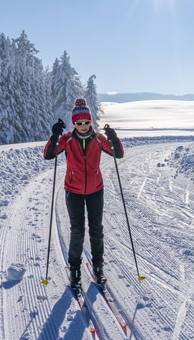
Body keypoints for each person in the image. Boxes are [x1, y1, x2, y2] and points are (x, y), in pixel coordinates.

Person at [43, 98, 124, 288]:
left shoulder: (98, 139)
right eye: (79, 123)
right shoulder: (67, 139)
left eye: (86, 122)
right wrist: (54, 136)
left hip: (96, 190)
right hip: (73, 191)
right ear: (74, 123)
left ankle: (98, 267)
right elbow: (49, 155)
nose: (83, 126)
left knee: (96, 230)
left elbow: (118, 153)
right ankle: (75, 269)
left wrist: (113, 137)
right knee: (77, 230)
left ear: (91, 122)